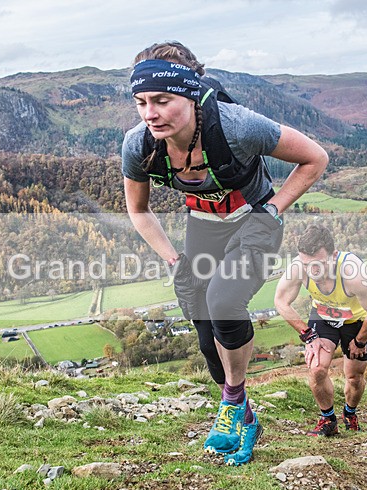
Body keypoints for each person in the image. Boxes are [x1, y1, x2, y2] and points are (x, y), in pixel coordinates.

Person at [122, 42, 328, 465]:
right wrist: (172, 258)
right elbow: (138, 211)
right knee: (203, 326)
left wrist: (274, 209)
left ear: (191, 94)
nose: (150, 113)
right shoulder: (139, 145)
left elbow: (314, 158)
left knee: (224, 302)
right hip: (202, 227)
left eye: (162, 100)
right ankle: (243, 415)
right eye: (141, 102)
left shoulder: (236, 127)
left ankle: (232, 403)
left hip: (254, 218)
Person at [274, 224, 367, 437]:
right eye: (307, 264)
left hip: (357, 322)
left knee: (353, 376)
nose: (313, 270)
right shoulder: (298, 268)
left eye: (319, 264)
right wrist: (308, 335)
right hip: (323, 318)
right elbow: (280, 301)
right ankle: (328, 420)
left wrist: (360, 341)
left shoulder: (353, 273)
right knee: (316, 369)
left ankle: (350, 413)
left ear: (333, 256)